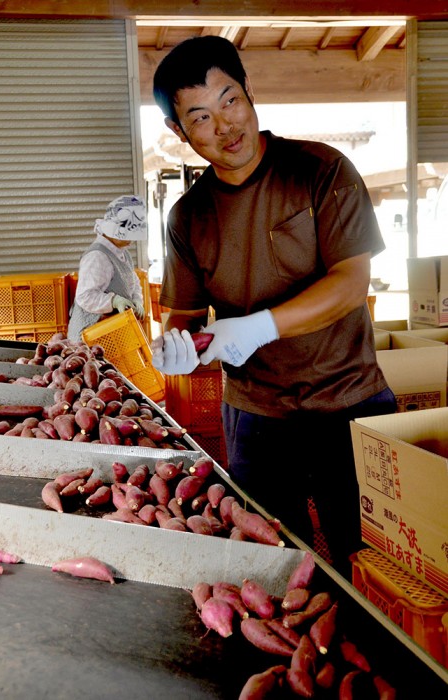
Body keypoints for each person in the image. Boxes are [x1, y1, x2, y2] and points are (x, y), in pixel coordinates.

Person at [150, 35, 397, 578]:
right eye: (201, 117)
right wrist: (177, 348)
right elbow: (184, 316)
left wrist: (261, 326)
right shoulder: (187, 217)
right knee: (276, 567)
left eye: (230, 100)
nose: (225, 126)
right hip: (256, 418)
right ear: (179, 131)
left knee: (372, 565)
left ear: (249, 93)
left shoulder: (320, 170)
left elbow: (353, 282)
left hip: (350, 401)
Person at [68, 195, 146, 342]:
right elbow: (85, 296)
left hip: (110, 335)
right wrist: (113, 301)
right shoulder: (97, 256)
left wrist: (137, 299)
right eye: (129, 233)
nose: (132, 239)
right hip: (89, 337)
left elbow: (132, 280)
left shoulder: (123, 253)